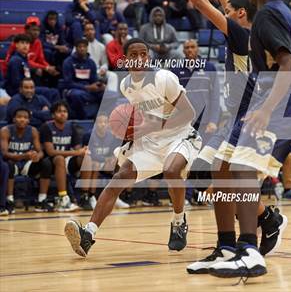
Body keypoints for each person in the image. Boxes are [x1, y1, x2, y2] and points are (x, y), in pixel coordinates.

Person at [175, 0, 289, 271]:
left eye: (227, 11)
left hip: (248, 118)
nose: (222, 13)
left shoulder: (241, 35)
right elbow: (239, 5)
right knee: (216, 174)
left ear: (240, 15)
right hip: (235, 116)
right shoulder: (248, 30)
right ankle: (234, 240)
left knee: (225, 178)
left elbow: (201, 5)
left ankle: (257, 228)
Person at [64, 38, 203, 257]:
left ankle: (178, 221)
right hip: (150, 141)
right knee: (119, 178)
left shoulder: (164, 78)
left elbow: (189, 114)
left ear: (148, 57)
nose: (139, 59)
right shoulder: (125, 85)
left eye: (143, 54)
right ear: (125, 59)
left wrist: (152, 125)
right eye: (134, 55)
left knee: (171, 170)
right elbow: (138, 119)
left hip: (181, 135)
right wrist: (129, 138)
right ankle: (88, 234)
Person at [0, 108, 53, 214]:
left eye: (25, 117)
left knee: (46, 163)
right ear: (14, 119)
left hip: (26, 165)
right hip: (12, 163)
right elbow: (4, 153)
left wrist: (37, 156)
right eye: (19, 117)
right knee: (8, 165)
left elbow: (41, 151)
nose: (22, 120)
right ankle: (10, 200)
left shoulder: (33, 131)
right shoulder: (5, 131)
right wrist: (24, 155)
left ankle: (41, 199)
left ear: (28, 120)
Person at [172, 39, 220, 144]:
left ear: (198, 49)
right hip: (184, 122)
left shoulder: (210, 68)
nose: (190, 50)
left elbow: (215, 97)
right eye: (187, 47)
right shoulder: (175, 69)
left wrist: (213, 121)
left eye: (193, 47)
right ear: (183, 51)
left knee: (202, 156)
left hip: (205, 122)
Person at [40, 101, 85, 212]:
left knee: (87, 157)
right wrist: (76, 153)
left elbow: (78, 148)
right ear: (53, 115)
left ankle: (86, 196)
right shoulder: (47, 127)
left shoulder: (71, 126)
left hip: (67, 159)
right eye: (59, 111)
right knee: (59, 158)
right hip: (49, 161)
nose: (62, 114)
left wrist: (82, 151)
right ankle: (63, 197)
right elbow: (50, 152)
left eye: (65, 111)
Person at [79, 113, 126, 210]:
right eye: (100, 122)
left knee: (120, 163)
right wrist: (105, 159)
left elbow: (115, 151)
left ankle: (116, 196)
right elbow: (88, 153)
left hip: (105, 164)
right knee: (94, 163)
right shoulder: (88, 135)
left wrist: (113, 158)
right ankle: (91, 196)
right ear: (95, 123)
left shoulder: (112, 136)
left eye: (105, 122)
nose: (103, 124)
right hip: (93, 162)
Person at [5, 17, 60, 89]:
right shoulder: (18, 42)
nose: (36, 32)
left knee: (54, 72)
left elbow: (41, 59)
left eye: (38, 30)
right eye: (33, 30)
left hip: (31, 68)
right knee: (36, 71)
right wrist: (44, 68)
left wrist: (48, 68)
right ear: (26, 30)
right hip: (20, 70)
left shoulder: (38, 42)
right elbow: (22, 62)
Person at [5, 34, 60, 103]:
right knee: (53, 92)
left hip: (27, 88)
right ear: (16, 45)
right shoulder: (15, 60)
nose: (25, 46)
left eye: (27, 43)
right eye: (22, 43)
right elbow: (16, 83)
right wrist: (30, 88)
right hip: (18, 90)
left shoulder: (24, 59)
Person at [63, 38, 104, 120]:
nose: (82, 49)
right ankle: (83, 120)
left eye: (84, 46)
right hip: (74, 89)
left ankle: (101, 118)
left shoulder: (91, 62)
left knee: (109, 94)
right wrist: (87, 87)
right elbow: (68, 83)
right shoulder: (68, 62)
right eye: (79, 47)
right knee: (77, 95)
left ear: (87, 48)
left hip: (89, 90)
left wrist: (100, 86)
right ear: (76, 48)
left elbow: (94, 80)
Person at [84, 23, 119, 92]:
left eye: (92, 29)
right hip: (86, 71)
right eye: (87, 30)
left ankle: (111, 97)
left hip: (99, 71)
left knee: (113, 76)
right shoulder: (80, 45)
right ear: (84, 32)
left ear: (95, 31)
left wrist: (103, 69)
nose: (90, 31)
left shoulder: (101, 46)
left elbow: (105, 63)